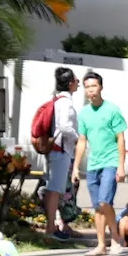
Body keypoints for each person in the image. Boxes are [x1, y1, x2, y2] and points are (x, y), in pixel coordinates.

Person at [70, 71, 128, 256]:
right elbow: (82, 141)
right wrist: (75, 167)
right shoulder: (84, 114)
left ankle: (116, 239)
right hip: (93, 164)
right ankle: (101, 245)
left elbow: (120, 138)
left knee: (105, 201)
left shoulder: (112, 109)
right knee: (97, 206)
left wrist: (121, 166)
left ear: (101, 87)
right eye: (87, 87)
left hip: (110, 161)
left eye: (94, 86)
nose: (91, 90)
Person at [42, 67, 80, 241]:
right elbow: (65, 126)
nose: (78, 83)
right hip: (61, 150)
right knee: (55, 190)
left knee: (54, 189)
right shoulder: (66, 102)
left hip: (57, 149)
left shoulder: (58, 100)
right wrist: (76, 137)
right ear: (71, 83)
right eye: (76, 80)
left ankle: (51, 225)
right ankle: (50, 228)